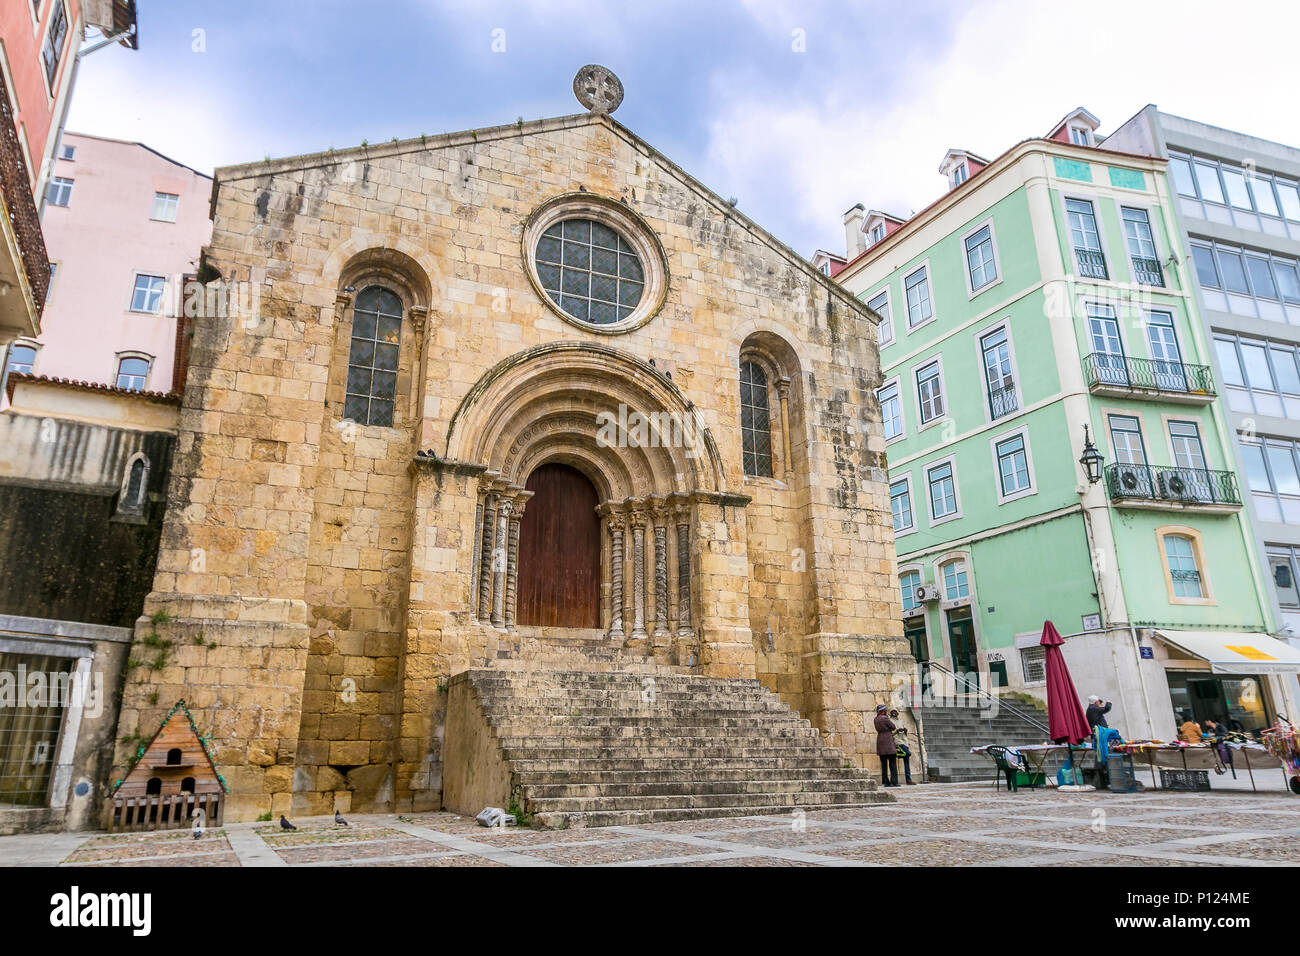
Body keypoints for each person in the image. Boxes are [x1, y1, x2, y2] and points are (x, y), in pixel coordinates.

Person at [889, 709, 918, 785]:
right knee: (908, 753)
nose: (894, 713)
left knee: (906, 761)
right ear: (890, 713)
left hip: (904, 740)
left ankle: (908, 780)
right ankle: (897, 754)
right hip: (897, 741)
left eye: (895, 711)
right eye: (892, 711)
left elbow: (905, 731)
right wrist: (897, 731)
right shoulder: (890, 721)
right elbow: (890, 733)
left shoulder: (901, 721)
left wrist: (905, 730)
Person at [874, 704, 898, 787]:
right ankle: (893, 782)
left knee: (883, 764)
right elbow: (893, 727)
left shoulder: (876, 719)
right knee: (892, 763)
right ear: (883, 711)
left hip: (880, 740)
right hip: (888, 740)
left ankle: (885, 781)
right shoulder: (885, 718)